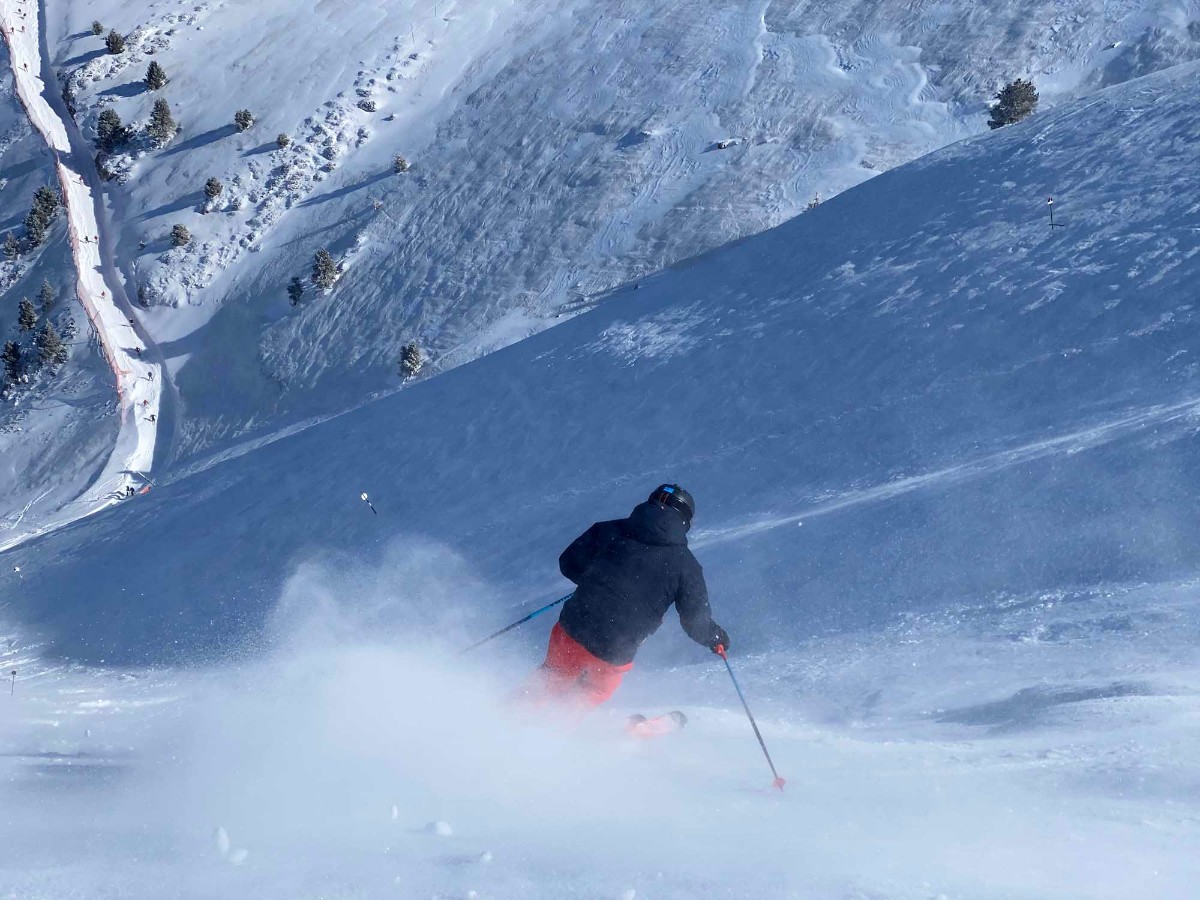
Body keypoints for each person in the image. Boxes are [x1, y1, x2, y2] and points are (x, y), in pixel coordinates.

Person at [529, 484, 728, 709]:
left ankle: (504, 718)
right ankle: (546, 734)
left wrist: (596, 583)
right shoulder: (686, 566)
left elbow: (569, 562)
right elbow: (695, 621)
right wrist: (716, 639)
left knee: (551, 678)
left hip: (573, 627)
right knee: (588, 694)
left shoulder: (608, 529)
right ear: (685, 522)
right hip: (614, 650)